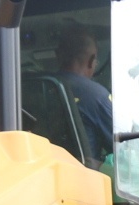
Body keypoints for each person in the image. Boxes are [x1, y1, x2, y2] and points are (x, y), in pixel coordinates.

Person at [54, 27, 114, 167]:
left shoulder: (31, 92)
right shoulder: (97, 96)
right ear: (92, 60)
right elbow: (125, 150)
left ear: (58, 55)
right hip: (80, 185)